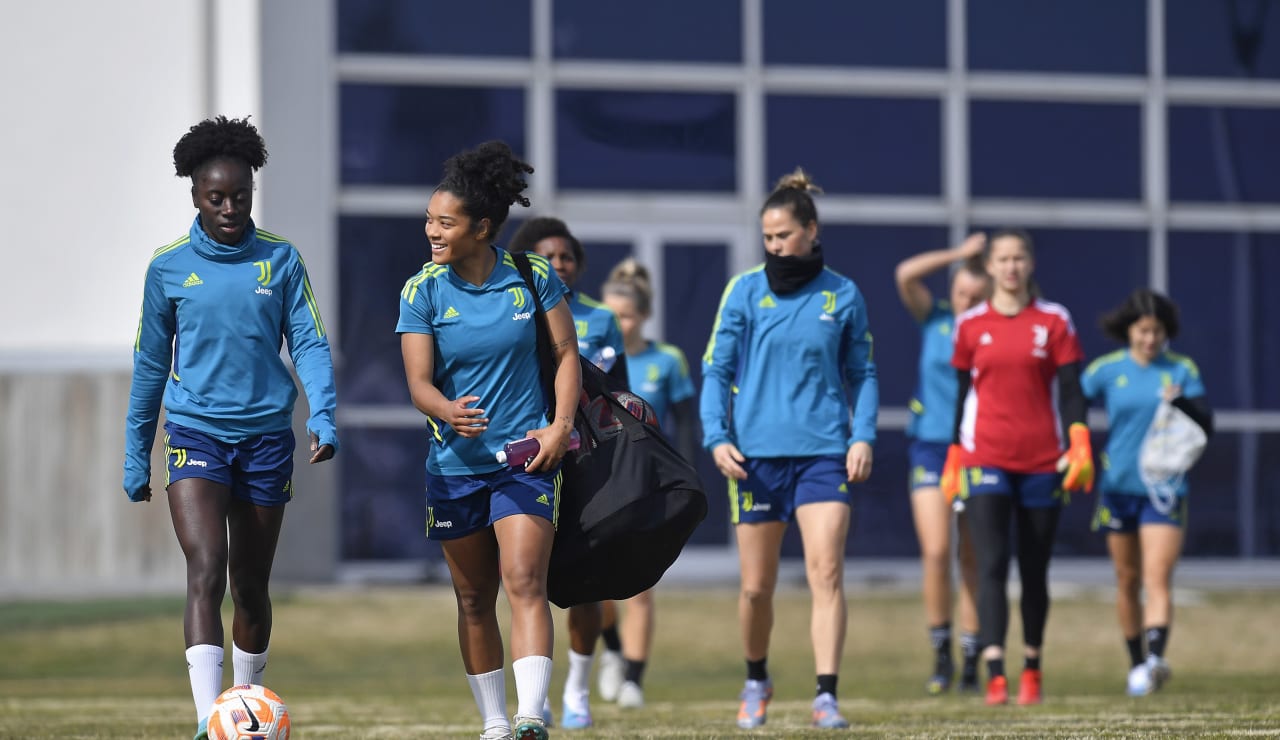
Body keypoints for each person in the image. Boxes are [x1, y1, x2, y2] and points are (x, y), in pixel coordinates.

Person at [122, 115, 339, 740]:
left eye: (239, 197)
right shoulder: (167, 269)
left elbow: (311, 345)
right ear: (194, 195)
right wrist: (137, 455)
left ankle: (244, 708)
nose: (228, 208)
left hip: (268, 438)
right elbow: (148, 365)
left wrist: (322, 415)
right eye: (215, 197)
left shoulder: (281, 259)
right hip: (195, 434)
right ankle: (206, 720)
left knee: (249, 583)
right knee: (206, 566)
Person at [398, 141, 580, 740]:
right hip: (454, 466)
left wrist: (558, 428)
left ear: (481, 227)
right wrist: (447, 410)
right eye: (429, 219)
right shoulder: (421, 291)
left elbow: (565, 354)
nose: (431, 230)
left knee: (524, 579)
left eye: (444, 222)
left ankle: (531, 718)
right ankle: (495, 722)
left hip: (525, 462)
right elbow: (419, 384)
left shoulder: (532, 277)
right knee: (474, 598)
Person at [700, 169, 878, 730]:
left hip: (825, 453)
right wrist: (717, 436)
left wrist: (863, 434)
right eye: (768, 238)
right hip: (755, 459)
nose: (775, 246)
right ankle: (757, 679)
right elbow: (716, 370)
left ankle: (826, 695)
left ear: (811, 230)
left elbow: (864, 374)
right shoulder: (744, 290)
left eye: (784, 236)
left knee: (826, 571)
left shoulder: (843, 294)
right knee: (756, 589)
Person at [940, 228, 1094, 707]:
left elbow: (1071, 391)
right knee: (989, 563)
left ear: (1030, 264)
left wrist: (1079, 438)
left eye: (1018, 258)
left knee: (1034, 567)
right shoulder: (970, 325)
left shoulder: (1054, 320)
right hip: (984, 457)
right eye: (1002, 259)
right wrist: (952, 452)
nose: (1010, 267)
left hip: (1043, 461)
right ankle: (994, 671)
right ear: (989, 267)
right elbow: (963, 396)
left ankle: (1031, 666)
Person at [507, 217, 629, 730]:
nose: (557, 265)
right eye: (546, 257)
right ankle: (536, 697)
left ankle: (577, 690)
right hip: (531, 461)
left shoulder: (601, 319)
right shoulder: (512, 312)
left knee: (586, 584)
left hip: (585, 463)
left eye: (565, 257)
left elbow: (618, 395)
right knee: (527, 580)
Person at [1082, 289, 1212, 697]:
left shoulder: (1180, 369)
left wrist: (1184, 405)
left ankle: (1155, 658)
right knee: (1127, 579)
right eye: (1143, 331)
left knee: (1157, 577)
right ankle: (1137, 663)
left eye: (1157, 331)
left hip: (1164, 489)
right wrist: (1076, 445)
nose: (1150, 339)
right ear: (1129, 330)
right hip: (1118, 486)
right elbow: (1071, 402)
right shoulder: (1106, 370)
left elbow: (1207, 423)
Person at [596, 258, 700, 710]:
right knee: (595, 584)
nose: (617, 323)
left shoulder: (668, 360)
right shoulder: (588, 359)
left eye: (625, 315)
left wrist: (686, 480)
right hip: (600, 484)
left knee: (640, 585)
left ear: (641, 316)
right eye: (610, 314)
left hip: (647, 485)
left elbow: (684, 426)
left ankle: (634, 677)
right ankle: (612, 649)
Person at [893, 234, 990, 694]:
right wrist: (959, 255)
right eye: (961, 293)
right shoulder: (933, 320)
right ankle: (941, 652)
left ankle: (973, 656)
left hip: (976, 448)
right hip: (930, 447)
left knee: (971, 555)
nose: (966, 302)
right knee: (936, 552)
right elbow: (905, 274)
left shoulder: (992, 330)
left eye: (976, 296)